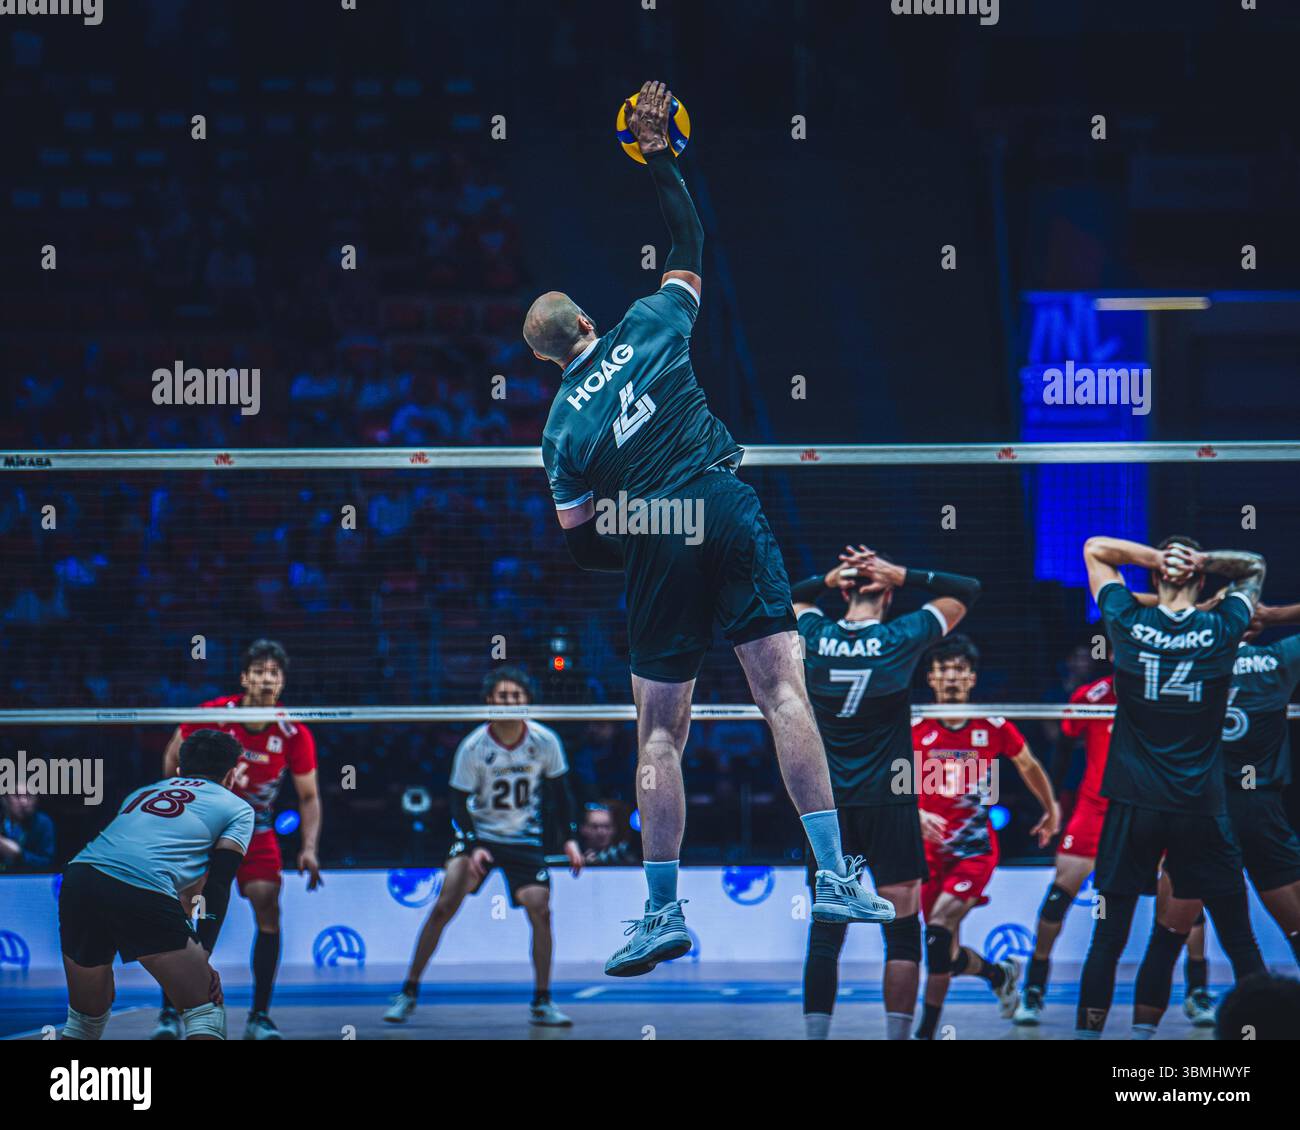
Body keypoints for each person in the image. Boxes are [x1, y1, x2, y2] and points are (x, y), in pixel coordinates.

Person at [527, 80, 889, 977]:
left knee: (659, 735)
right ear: (585, 323)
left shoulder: (558, 431)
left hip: (655, 529)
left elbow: (581, 548)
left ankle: (660, 912)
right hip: (723, 499)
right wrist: (661, 157)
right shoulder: (649, 321)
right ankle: (836, 873)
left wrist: (646, 534)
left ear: (544, 357)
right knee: (784, 696)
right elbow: (690, 243)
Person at [1075, 535, 1267, 1039]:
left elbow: (1096, 549)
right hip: (1199, 806)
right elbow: (1252, 566)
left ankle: (1088, 1035)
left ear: (1155, 578)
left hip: (1134, 803)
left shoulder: (1127, 621)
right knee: (1239, 937)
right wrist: (1201, 560)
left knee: (1108, 938)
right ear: (1202, 581)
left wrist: (1156, 560)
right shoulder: (1224, 624)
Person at [792, 546, 978, 1040]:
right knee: (901, 931)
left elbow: (784, 599)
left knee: (827, 932)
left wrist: (826, 579)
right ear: (890, 594)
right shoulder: (902, 635)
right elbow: (967, 591)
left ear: (844, 590)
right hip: (891, 801)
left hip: (827, 806)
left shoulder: (815, 634)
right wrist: (904, 570)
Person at [384, 667, 583, 1027]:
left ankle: (542, 1001)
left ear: (527, 702)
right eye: (503, 697)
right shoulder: (474, 746)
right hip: (479, 836)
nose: (510, 703)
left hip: (524, 839)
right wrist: (473, 845)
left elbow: (560, 794)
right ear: (489, 701)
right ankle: (408, 991)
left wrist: (568, 838)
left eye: (517, 697)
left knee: (541, 909)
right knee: (445, 905)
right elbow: (458, 804)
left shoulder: (545, 741)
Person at [151, 639, 321, 1041]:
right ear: (244, 678)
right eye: (259, 671)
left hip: (256, 829)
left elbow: (310, 796)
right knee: (183, 907)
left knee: (267, 903)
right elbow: (171, 759)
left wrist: (310, 847)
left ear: (282, 682)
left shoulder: (293, 733)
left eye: (274, 672)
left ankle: (259, 1016)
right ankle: (169, 1014)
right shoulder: (211, 715)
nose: (266, 678)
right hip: (205, 830)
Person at [58, 730, 253, 1040]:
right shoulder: (238, 807)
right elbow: (218, 884)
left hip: (80, 877)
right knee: (205, 1009)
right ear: (231, 775)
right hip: (140, 886)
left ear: (179, 770)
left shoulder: (142, 793)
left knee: (84, 1020)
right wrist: (202, 952)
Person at [912, 635, 1057, 1038]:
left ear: (972, 678)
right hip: (927, 854)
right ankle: (998, 974)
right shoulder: (913, 726)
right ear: (931, 678)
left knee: (938, 930)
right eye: (944, 669)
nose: (952, 677)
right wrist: (915, 811)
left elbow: (1028, 765)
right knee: (946, 953)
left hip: (974, 850)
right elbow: (892, 783)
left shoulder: (992, 725)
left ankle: (925, 1032)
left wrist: (1051, 808)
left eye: (960, 669)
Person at [0, 787, 56, 873]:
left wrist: (19, 854)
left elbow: (48, 864)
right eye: (17, 796)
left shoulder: (43, 823)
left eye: (29, 796)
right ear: (5, 799)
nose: (24, 802)